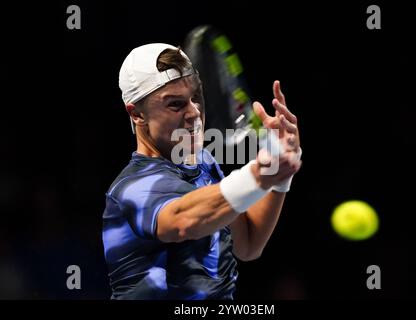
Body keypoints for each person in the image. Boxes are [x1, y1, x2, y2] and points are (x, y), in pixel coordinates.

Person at [102, 43, 302, 300]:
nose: (194, 112)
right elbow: (183, 221)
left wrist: (280, 174)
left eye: (196, 96)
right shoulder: (133, 187)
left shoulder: (204, 163)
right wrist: (256, 175)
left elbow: (249, 245)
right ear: (137, 113)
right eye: (176, 104)